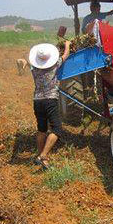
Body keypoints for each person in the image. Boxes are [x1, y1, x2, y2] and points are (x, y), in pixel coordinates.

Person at [29, 40, 70, 169]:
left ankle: (39, 155)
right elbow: (65, 56)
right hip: (50, 100)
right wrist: (67, 45)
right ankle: (44, 156)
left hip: (37, 101)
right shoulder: (54, 65)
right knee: (57, 129)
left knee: (42, 129)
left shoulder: (34, 68)